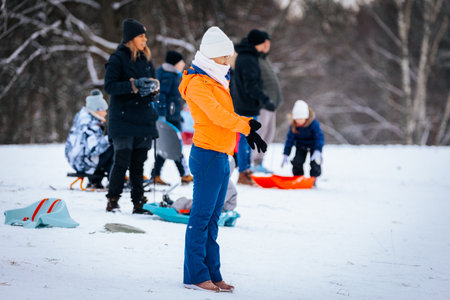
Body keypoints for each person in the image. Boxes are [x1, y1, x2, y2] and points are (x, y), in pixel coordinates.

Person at [178, 26, 267, 292]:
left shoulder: (217, 79)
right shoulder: (198, 83)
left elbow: (225, 116)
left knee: (214, 218)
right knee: (201, 218)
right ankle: (195, 274)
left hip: (220, 155)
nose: (229, 62)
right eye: (224, 57)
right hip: (206, 155)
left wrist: (246, 125)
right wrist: (246, 125)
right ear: (212, 56)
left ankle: (213, 273)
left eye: (229, 57)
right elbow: (217, 116)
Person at [104, 18, 159, 214]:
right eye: (141, 36)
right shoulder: (117, 59)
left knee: (139, 163)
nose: (145, 40)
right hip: (123, 117)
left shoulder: (146, 60)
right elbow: (109, 86)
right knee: (122, 160)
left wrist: (153, 88)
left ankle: (138, 201)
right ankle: (113, 199)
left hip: (143, 118)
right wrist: (133, 85)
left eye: (145, 36)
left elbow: (152, 82)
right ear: (130, 39)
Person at [231, 29, 276, 186]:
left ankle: (246, 170)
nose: (266, 45)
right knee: (246, 138)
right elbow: (251, 86)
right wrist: (264, 100)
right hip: (246, 106)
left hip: (244, 103)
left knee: (247, 138)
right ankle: (244, 172)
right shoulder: (248, 59)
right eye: (264, 42)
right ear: (259, 42)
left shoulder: (246, 56)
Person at [151, 50, 193, 186]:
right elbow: (161, 97)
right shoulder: (168, 76)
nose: (183, 64)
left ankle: (155, 174)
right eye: (181, 62)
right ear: (175, 63)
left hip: (173, 116)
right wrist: (162, 115)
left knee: (167, 146)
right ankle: (184, 174)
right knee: (175, 145)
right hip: (168, 118)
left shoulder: (172, 75)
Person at [65, 89, 113, 189]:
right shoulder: (90, 124)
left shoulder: (84, 118)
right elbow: (93, 148)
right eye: (103, 110)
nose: (105, 113)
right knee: (114, 149)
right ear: (97, 110)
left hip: (77, 159)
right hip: (83, 162)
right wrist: (110, 139)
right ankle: (114, 180)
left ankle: (95, 181)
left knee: (109, 149)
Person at [251, 30, 283, 173]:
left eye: (269, 43)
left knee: (269, 133)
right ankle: (252, 162)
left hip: (271, 104)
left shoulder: (265, 59)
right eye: (265, 43)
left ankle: (259, 161)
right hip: (262, 104)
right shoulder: (254, 59)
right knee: (260, 132)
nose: (267, 46)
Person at [282, 100, 324, 178]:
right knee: (297, 161)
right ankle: (298, 177)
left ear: (306, 118)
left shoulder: (313, 124)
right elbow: (289, 140)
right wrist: (286, 153)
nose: (299, 121)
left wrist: (318, 150)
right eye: (297, 119)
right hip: (301, 146)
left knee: (315, 162)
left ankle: (313, 178)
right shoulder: (293, 126)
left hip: (313, 146)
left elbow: (319, 137)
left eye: (301, 119)